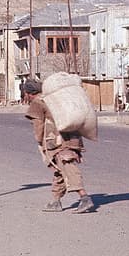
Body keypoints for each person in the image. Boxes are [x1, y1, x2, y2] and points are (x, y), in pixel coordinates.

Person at [22, 77, 94, 213]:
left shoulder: (37, 103)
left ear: (28, 93)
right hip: (73, 136)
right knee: (59, 169)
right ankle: (56, 201)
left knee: (67, 165)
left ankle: (84, 197)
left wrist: (40, 141)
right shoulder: (54, 98)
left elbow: (38, 126)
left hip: (56, 141)